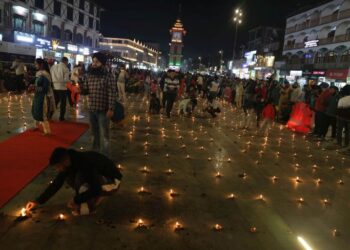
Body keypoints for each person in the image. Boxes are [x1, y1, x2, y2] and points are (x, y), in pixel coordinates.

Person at [25, 147, 122, 216]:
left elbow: (95, 188)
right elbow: (56, 184)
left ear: (65, 161)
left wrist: (76, 200)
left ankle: (92, 205)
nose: (58, 170)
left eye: (58, 166)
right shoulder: (71, 160)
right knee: (70, 178)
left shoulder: (85, 164)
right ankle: (93, 196)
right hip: (98, 179)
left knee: (82, 181)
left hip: (113, 182)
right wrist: (38, 201)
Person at [83, 52, 116, 155]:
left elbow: (112, 92)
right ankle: (95, 154)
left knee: (104, 135)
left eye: (97, 62)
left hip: (103, 110)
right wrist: (80, 88)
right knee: (94, 134)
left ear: (102, 63)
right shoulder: (89, 75)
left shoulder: (108, 75)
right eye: (93, 61)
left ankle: (105, 157)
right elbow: (86, 89)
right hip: (92, 108)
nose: (94, 63)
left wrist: (111, 108)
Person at [31, 58, 53, 135]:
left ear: (41, 65)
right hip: (37, 95)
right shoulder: (38, 73)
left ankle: (47, 131)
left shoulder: (45, 74)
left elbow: (45, 88)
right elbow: (38, 84)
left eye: (36, 64)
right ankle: (36, 126)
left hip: (43, 96)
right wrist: (33, 86)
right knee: (35, 110)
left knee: (42, 112)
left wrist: (34, 88)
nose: (35, 65)